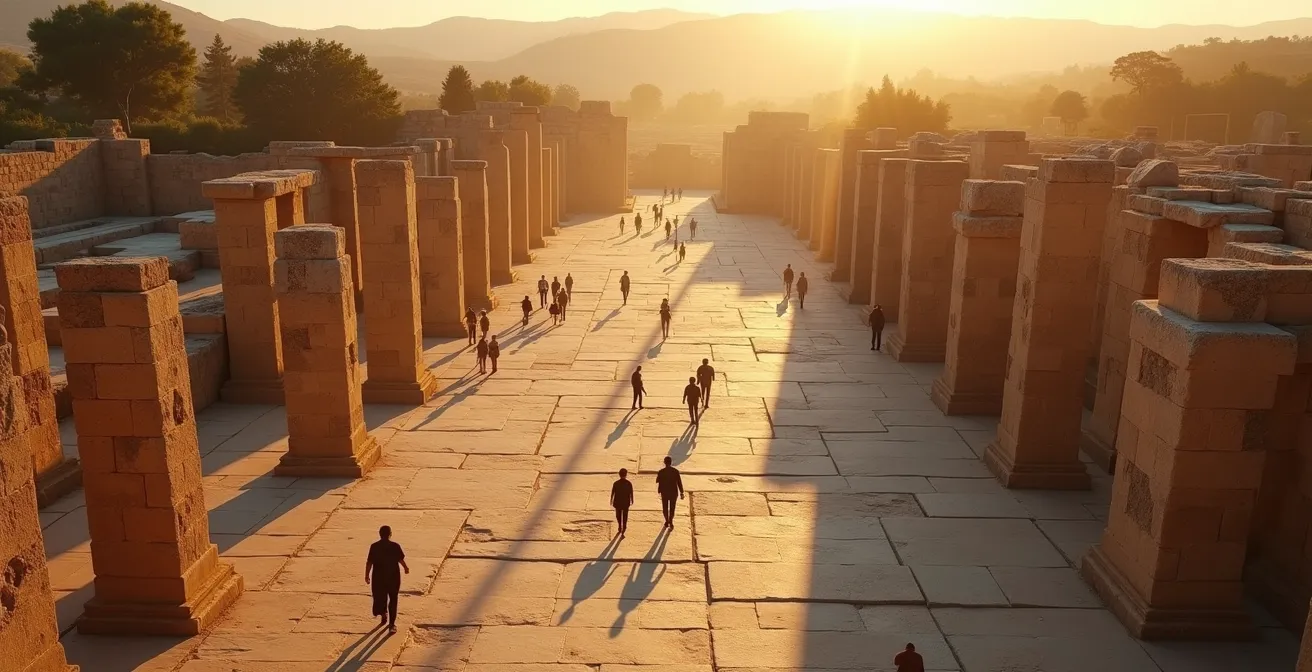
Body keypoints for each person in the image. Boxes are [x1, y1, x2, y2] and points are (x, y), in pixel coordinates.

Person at [365, 525, 409, 634]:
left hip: (378, 578)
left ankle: (383, 613)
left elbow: (369, 562)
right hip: (393, 577)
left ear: (380, 534)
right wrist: (406, 568)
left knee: (380, 597)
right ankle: (392, 624)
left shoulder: (374, 546)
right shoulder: (395, 546)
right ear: (390, 534)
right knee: (393, 599)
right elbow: (400, 559)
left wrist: (367, 575)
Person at [656, 456, 684, 529]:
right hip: (673, 493)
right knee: (672, 508)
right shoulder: (675, 471)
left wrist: (659, 489)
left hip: (665, 493)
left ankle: (666, 521)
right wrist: (681, 492)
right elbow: (679, 483)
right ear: (671, 462)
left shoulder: (661, 472)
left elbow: (658, 481)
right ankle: (670, 521)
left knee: (665, 508)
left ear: (664, 462)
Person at [611, 468, 634, 538]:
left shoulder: (616, 483)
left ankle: (620, 526)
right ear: (626, 475)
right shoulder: (629, 483)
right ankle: (623, 528)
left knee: (618, 516)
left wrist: (611, 500)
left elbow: (613, 493)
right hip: (625, 503)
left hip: (617, 503)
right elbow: (631, 493)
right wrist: (632, 500)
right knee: (625, 516)